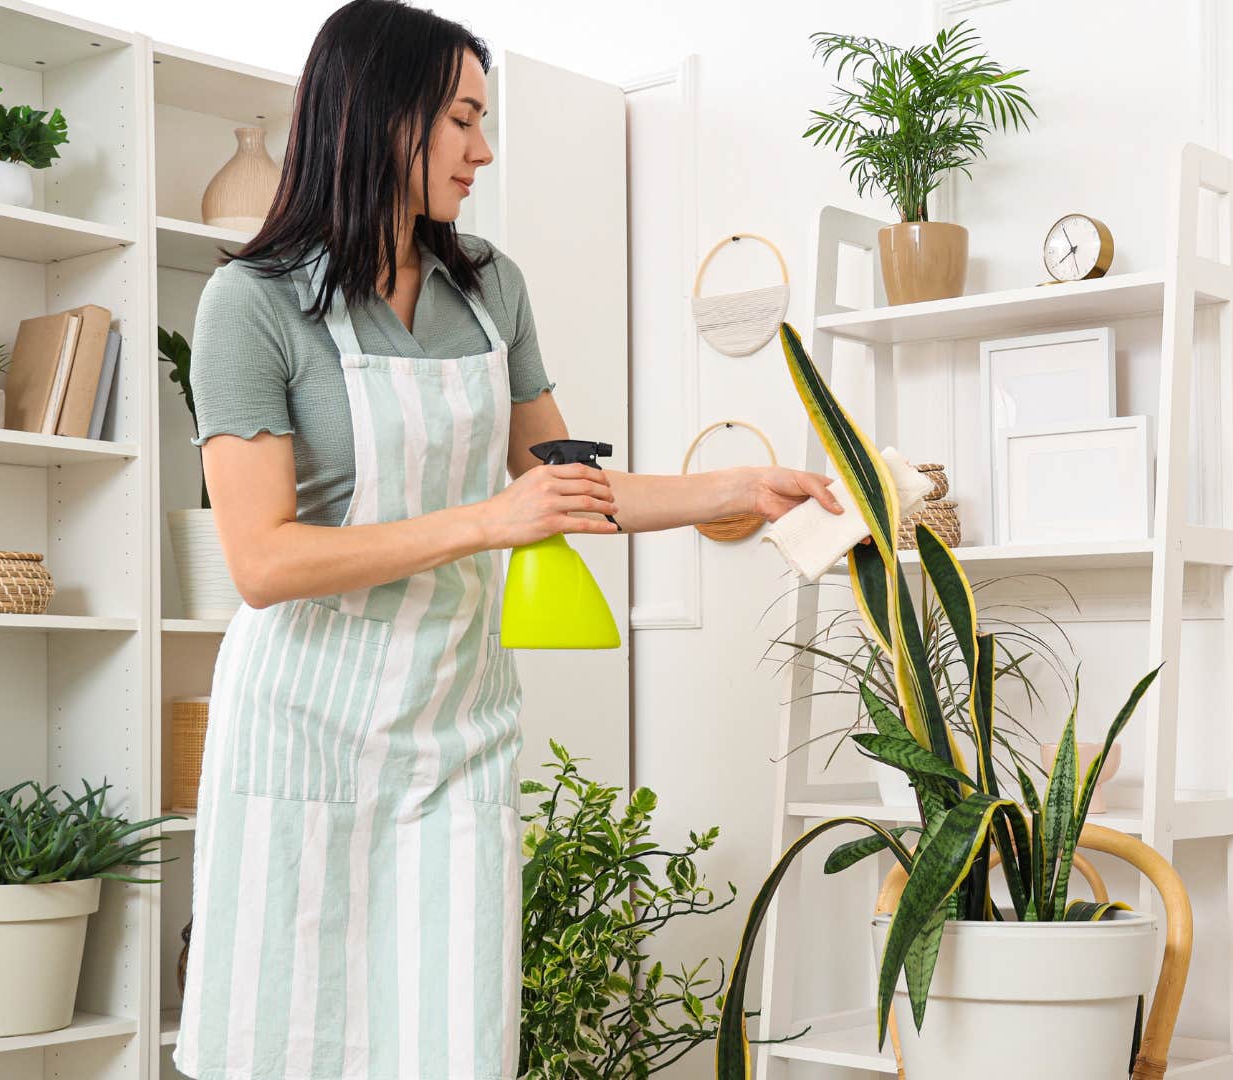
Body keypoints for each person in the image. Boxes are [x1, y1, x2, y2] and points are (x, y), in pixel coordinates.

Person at [171, 3, 837, 1077]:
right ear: (385, 118)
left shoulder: (489, 285)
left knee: (450, 1039)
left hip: (453, 729)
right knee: (286, 1039)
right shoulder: (249, 303)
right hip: (303, 730)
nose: (484, 150)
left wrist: (741, 488)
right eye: (463, 120)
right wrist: (489, 520)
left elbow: (558, 486)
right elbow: (265, 562)